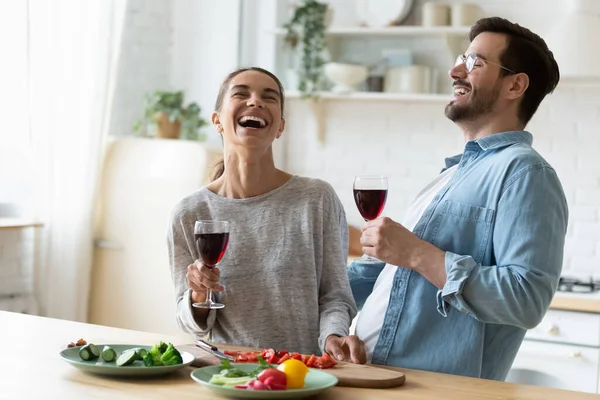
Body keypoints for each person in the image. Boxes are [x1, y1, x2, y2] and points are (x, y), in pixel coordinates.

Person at [348, 16, 568, 380]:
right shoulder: (450, 176)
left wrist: (418, 253)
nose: (454, 70)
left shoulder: (526, 173)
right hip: (372, 377)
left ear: (515, 85)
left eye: (474, 62)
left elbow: (525, 300)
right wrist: (334, 325)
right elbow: (388, 271)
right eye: (461, 58)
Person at [167, 67, 366, 363]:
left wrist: (333, 336)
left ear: (280, 126)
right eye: (241, 93)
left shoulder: (316, 199)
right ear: (217, 120)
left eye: (268, 97)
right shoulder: (189, 213)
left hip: (303, 376)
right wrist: (198, 296)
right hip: (226, 376)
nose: (255, 102)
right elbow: (190, 324)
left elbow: (334, 297)